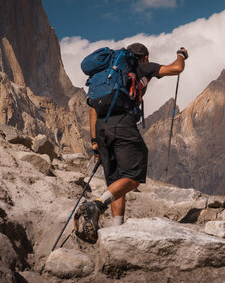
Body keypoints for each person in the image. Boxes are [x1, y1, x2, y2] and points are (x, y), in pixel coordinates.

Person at [74, 43, 188, 243]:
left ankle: (116, 231)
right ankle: (97, 206)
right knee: (133, 177)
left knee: (116, 181)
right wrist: (181, 55)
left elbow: (93, 108)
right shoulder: (142, 67)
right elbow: (176, 69)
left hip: (101, 127)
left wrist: (95, 143)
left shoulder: (106, 75)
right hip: (122, 124)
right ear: (144, 57)